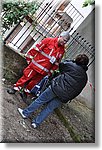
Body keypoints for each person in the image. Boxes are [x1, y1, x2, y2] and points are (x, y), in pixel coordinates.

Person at [17, 54, 89, 128]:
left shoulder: (71, 65)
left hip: (56, 88)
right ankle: (35, 123)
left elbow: (61, 65)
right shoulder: (85, 77)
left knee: (40, 100)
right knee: (49, 109)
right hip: (65, 96)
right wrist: (69, 98)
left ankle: (25, 113)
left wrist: (72, 61)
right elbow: (79, 90)